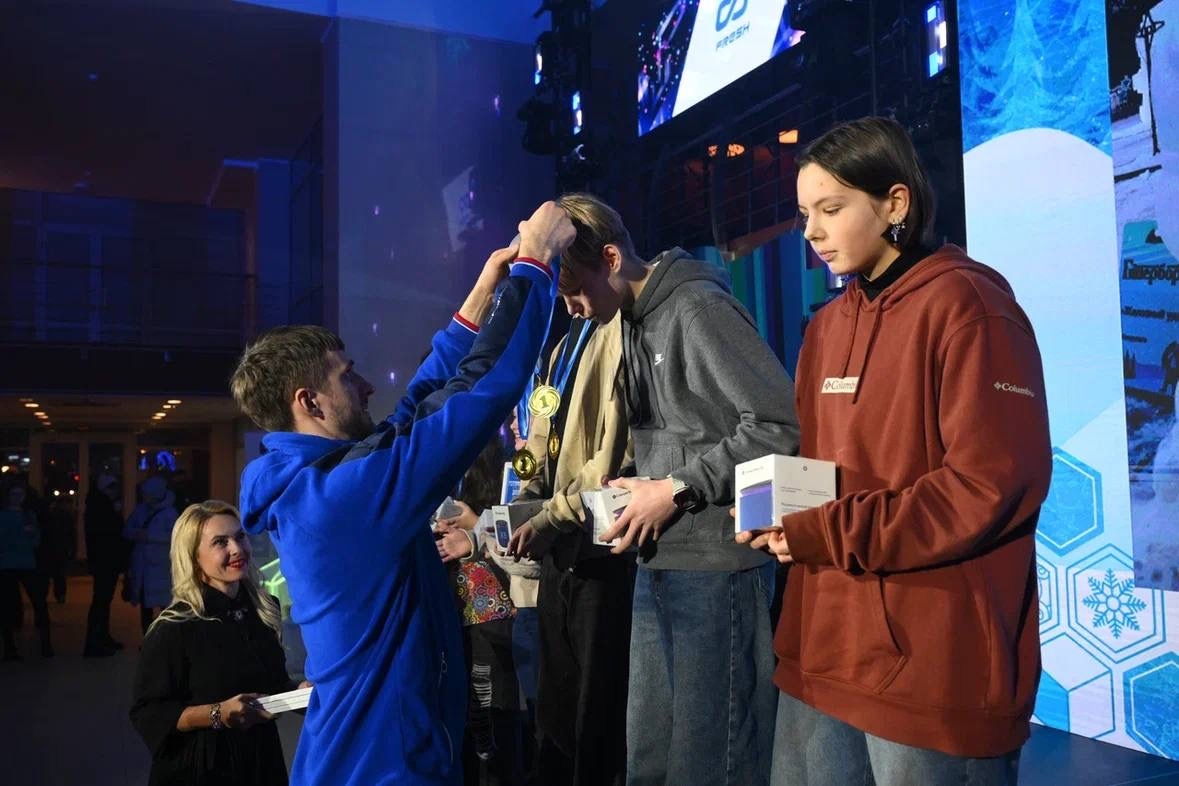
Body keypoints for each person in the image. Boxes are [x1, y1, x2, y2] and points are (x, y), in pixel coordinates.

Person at [738, 116, 1052, 786]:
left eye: (831, 209)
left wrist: (822, 530)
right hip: (819, 656)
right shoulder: (826, 326)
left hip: (932, 669)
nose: (812, 231)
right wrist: (773, 514)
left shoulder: (969, 306)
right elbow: (820, 472)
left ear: (895, 203)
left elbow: (984, 488)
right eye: (804, 214)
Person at [230, 202, 574, 786]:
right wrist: (537, 263)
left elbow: (413, 408)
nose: (367, 386)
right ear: (308, 402)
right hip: (385, 769)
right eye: (347, 376)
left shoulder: (319, 480)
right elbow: (483, 393)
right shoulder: (343, 497)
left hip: (364, 759)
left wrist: (479, 298)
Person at [554, 192, 800, 786]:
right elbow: (684, 436)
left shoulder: (696, 307)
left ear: (611, 258)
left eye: (576, 291)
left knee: (712, 764)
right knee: (651, 765)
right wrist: (638, 485)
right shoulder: (630, 323)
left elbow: (778, 425)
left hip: (719, 569)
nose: (573, 310)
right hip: (659, 564)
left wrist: (677, 487)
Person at [504, 313, 634, 786]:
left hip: (600, 551)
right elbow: (539, 442)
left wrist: (548, 517)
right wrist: (525, 498)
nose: (569, 301)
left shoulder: (619, 331)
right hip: (555, 558)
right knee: (554, 716)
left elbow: (613, 456)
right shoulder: (560, 349)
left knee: (595, 716)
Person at [130, 500, 302, 786]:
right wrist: (217, 714)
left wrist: (300, 693)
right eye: (220, 542)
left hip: (260, 760)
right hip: (201, 766)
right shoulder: (174, 626)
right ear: (193, 556)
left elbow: (272, 684)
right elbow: (148, 712)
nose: (237, 549)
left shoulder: (263, 609)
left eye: (239, 536)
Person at [0, 483, 53, 659]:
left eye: (20, 494)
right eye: (14, 494)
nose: (17, 498)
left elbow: (36, 540)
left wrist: (27, 535)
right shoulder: (4, 515)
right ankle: (10, 648)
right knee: (7, 606)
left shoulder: (28, 515)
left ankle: (45, 645)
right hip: (8, 564)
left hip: (25, 562)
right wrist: (23, 536)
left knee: (39, 602)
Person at [124, 475, 179, 634]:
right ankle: (148, 638)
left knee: (165, 606)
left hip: (162, 567)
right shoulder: (141, 510)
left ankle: (163, 639)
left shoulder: (170, 513)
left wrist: (150, 536)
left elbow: (175, 536)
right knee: (146, 607)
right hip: (143, 568)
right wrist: (137, 534)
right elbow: (127, 530)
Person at [84, 473, 127, 656]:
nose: (115, 491)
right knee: (101, 601)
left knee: (102, 601)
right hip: (105, 559)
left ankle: (101, 637)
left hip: (103, 559)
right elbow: (109, 534)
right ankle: (95, 641)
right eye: (111, 488)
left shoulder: (98, 505)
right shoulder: (103, 508)